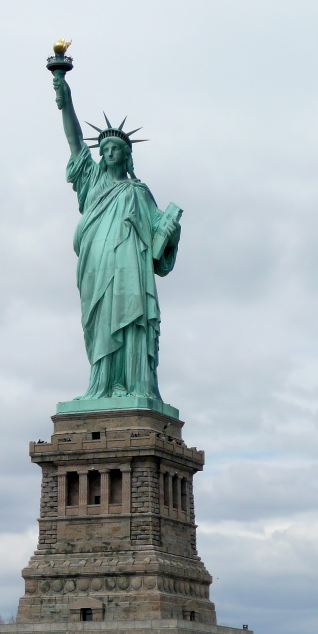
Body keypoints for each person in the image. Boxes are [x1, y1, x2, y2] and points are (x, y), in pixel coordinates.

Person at [52, 70, 181, 403]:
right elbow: (74, 140)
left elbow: (157, 243)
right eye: (105, 148)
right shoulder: (92, 180)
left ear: (127, 154)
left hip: (130, 271)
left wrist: (171, 229)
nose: (108, 152)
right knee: (99, 320)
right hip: (97, 263)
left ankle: (131, 384)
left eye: (115, 148)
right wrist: (64, 97)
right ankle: (102, 384)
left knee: (130, 319)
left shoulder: (139, 191)